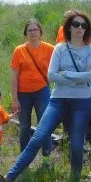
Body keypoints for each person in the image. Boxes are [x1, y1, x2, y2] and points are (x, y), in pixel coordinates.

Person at [1, 10, 91, 182]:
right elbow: (52, 75)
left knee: (77, 145)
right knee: (37, 137)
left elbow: (90, 76)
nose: (79, 28)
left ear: (87, 29)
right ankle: (7, 179)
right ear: (68, 27)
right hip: (58, 99)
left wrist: (66, 74)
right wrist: (73, 77)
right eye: (76, 24)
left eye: (83, 25)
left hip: (81, 102)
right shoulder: (60, 49)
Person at [10, 19, 55, 156]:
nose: (32, 32)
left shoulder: (49, 49)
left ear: (40, 32)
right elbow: (14, 75)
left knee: (44, 123)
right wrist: (14, 99)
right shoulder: (19, 50)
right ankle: (24, 157)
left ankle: (47, 154)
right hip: (23, 93)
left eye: (35, 29)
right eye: (29, 30)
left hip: (42, 90)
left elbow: (59, 66)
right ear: (26, 34)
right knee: (24, 126)